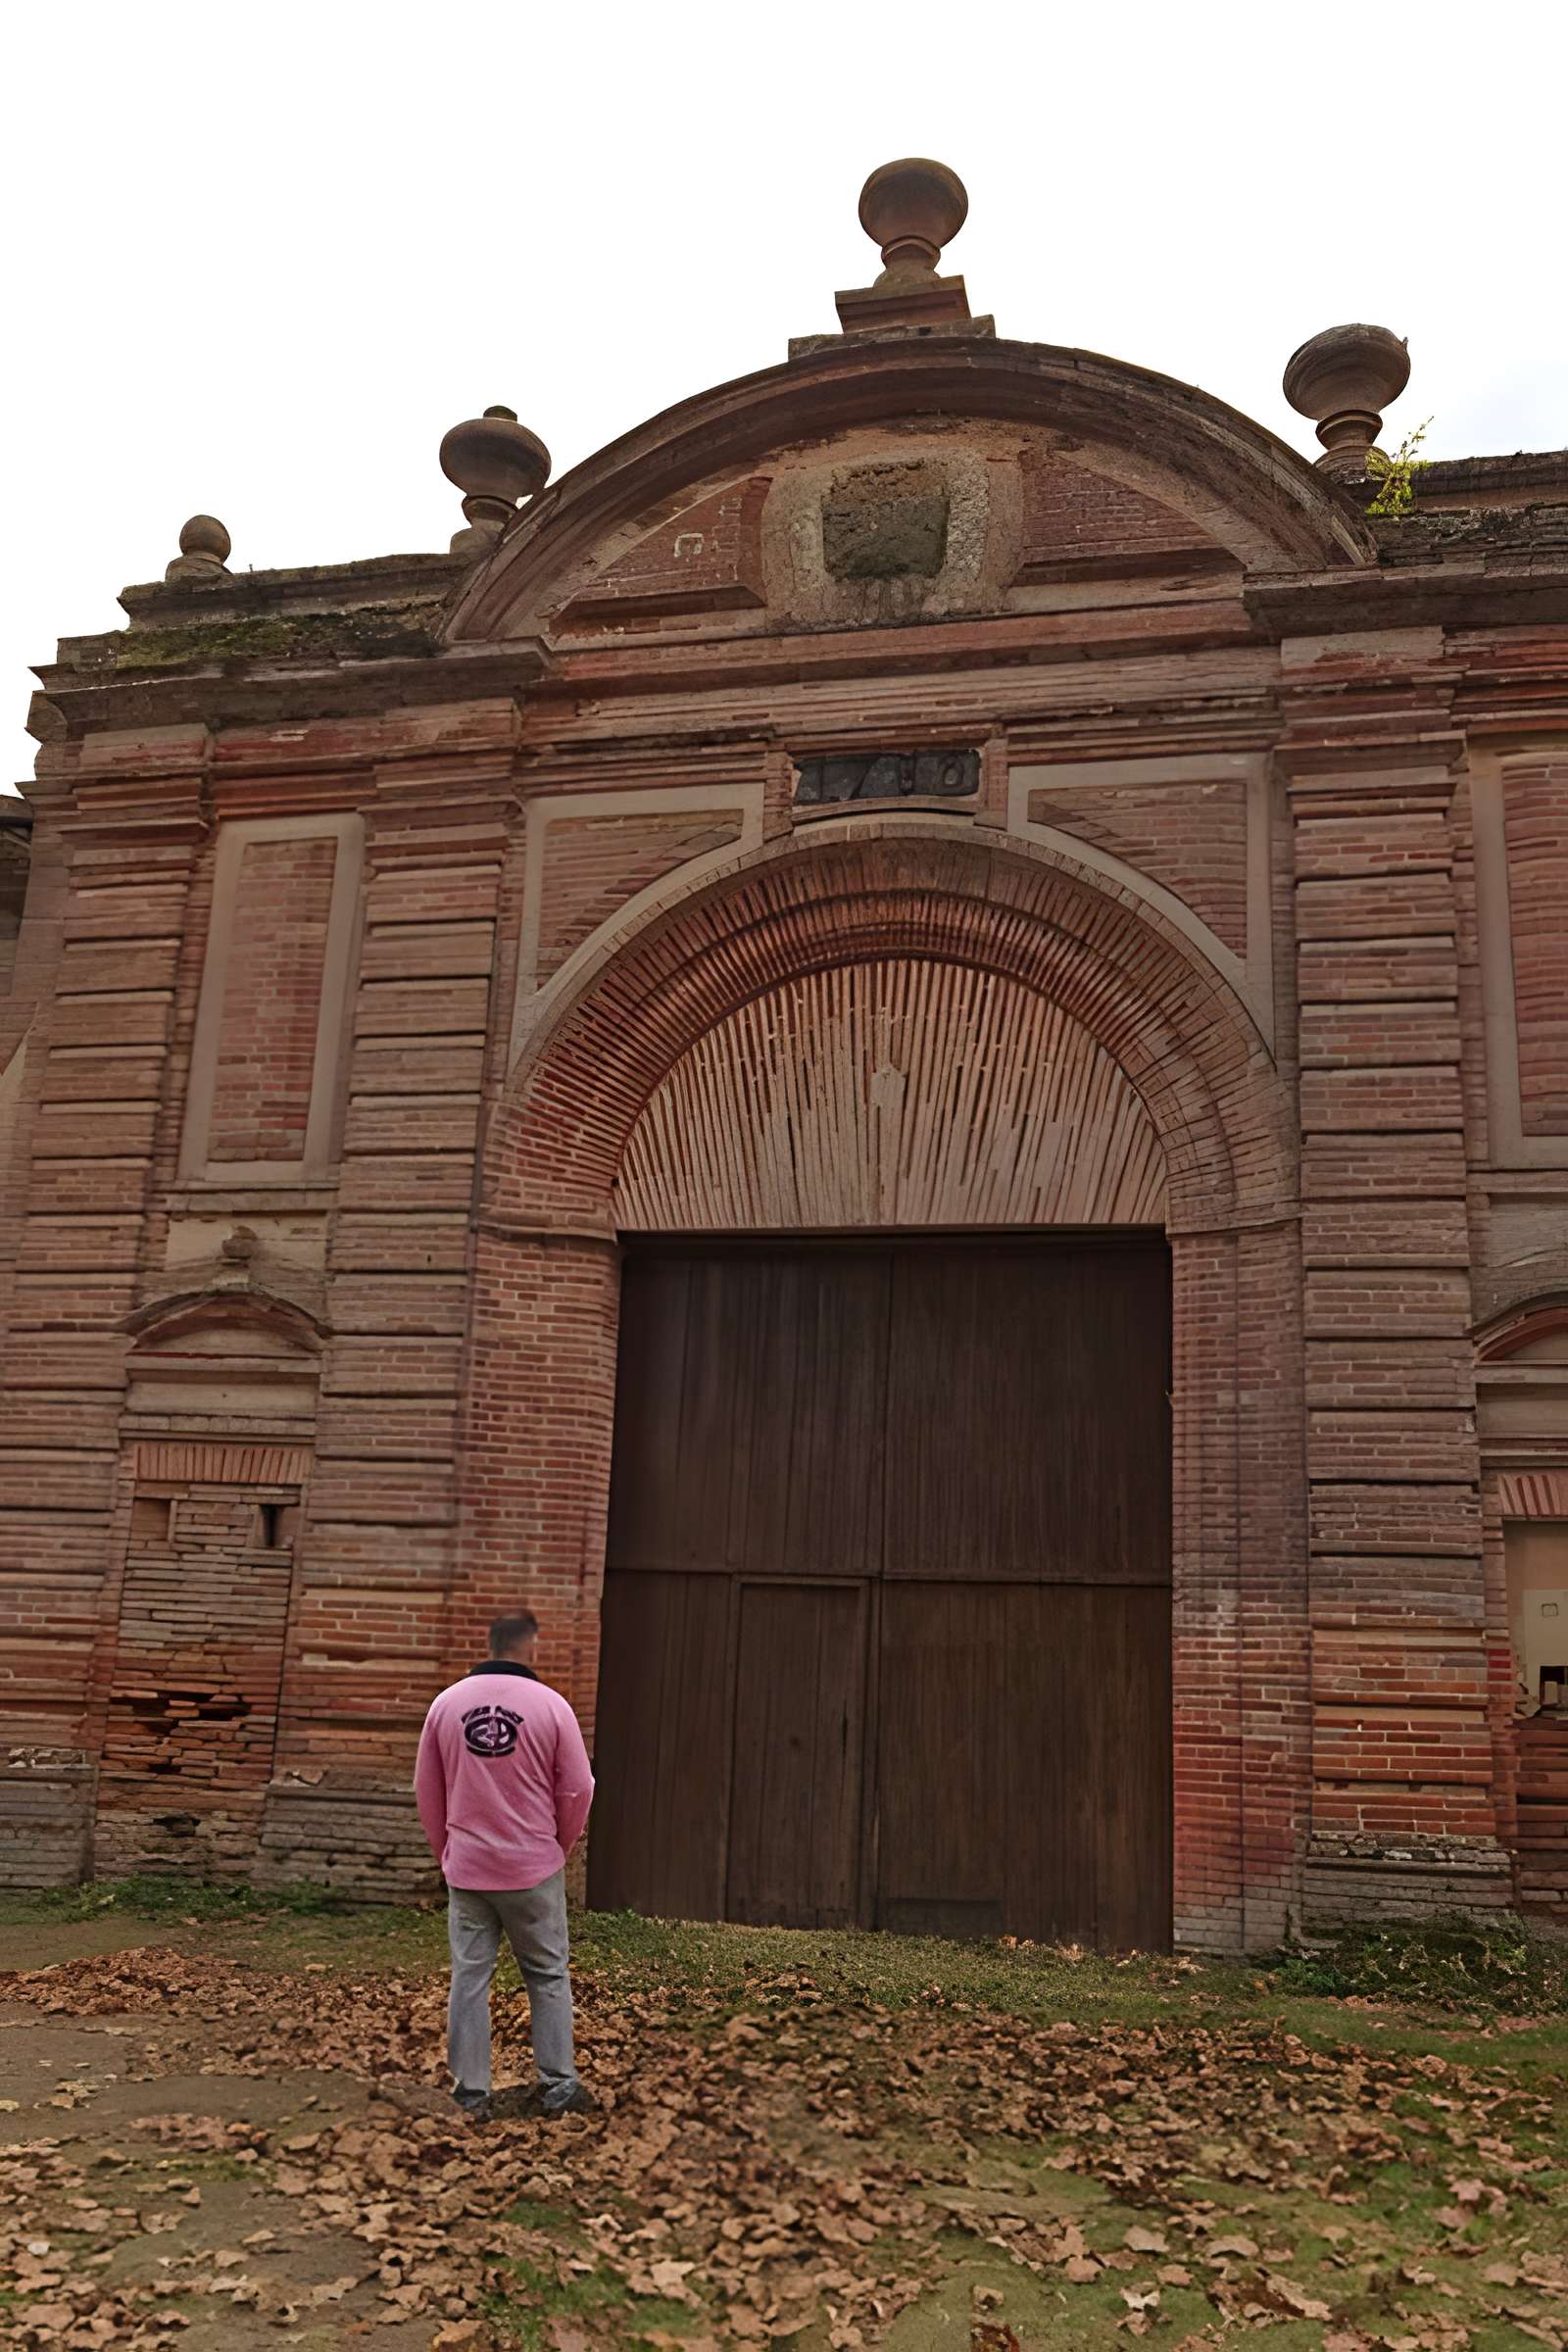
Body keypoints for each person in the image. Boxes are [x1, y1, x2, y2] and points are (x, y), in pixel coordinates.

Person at [414, 1610, 596, 2121]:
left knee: (469, 1978)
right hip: (533, 1867)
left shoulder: (445, 1705)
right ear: (530, 1645)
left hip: (468, 1867)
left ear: (489, 1643)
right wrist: (557, 1846)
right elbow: (579, 1787)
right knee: (547, 1975)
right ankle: (558, 2087)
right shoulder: (553, 1707)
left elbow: (427, 1790)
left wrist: (446, 1853)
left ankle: (471, 2093)